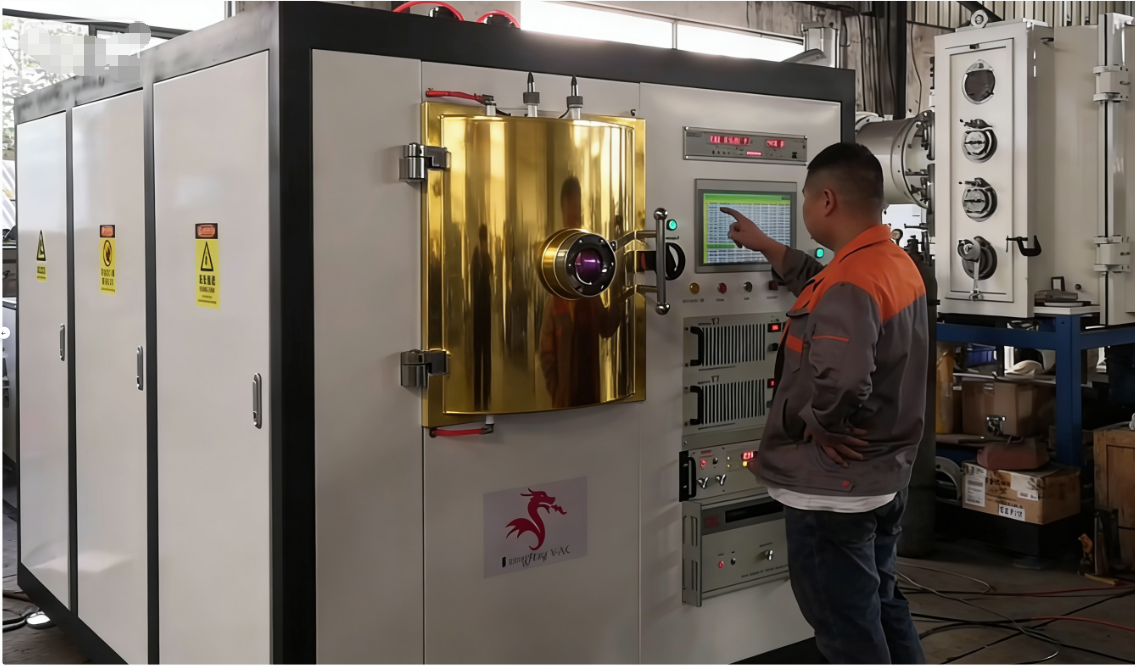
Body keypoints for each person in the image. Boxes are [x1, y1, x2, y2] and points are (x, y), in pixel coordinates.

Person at [727, 143, 928, 664]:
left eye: (805, 198)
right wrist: (770, 247)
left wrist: (818, 421)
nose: (805, 208)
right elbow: (825, 293)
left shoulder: (851, 280)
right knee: (882, 604)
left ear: (827, 201)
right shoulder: (891, 263)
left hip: (831, 490)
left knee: (845, 632)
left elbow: (841, 378)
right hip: (881, 477)